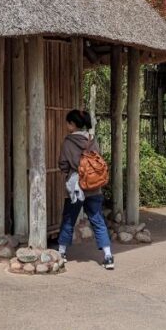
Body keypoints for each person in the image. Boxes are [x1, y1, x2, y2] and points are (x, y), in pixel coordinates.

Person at [56, 109, 114, 269]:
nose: (67, 125)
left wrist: (71, 173)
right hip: (94, 188)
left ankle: (61, 252)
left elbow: (63, 164)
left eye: (68, 122)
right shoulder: (92, 140)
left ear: (73, 124)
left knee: (69, 219)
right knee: (98, 220)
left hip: (77, 188)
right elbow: (98, 159)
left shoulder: (68, 142)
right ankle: (108, 256)